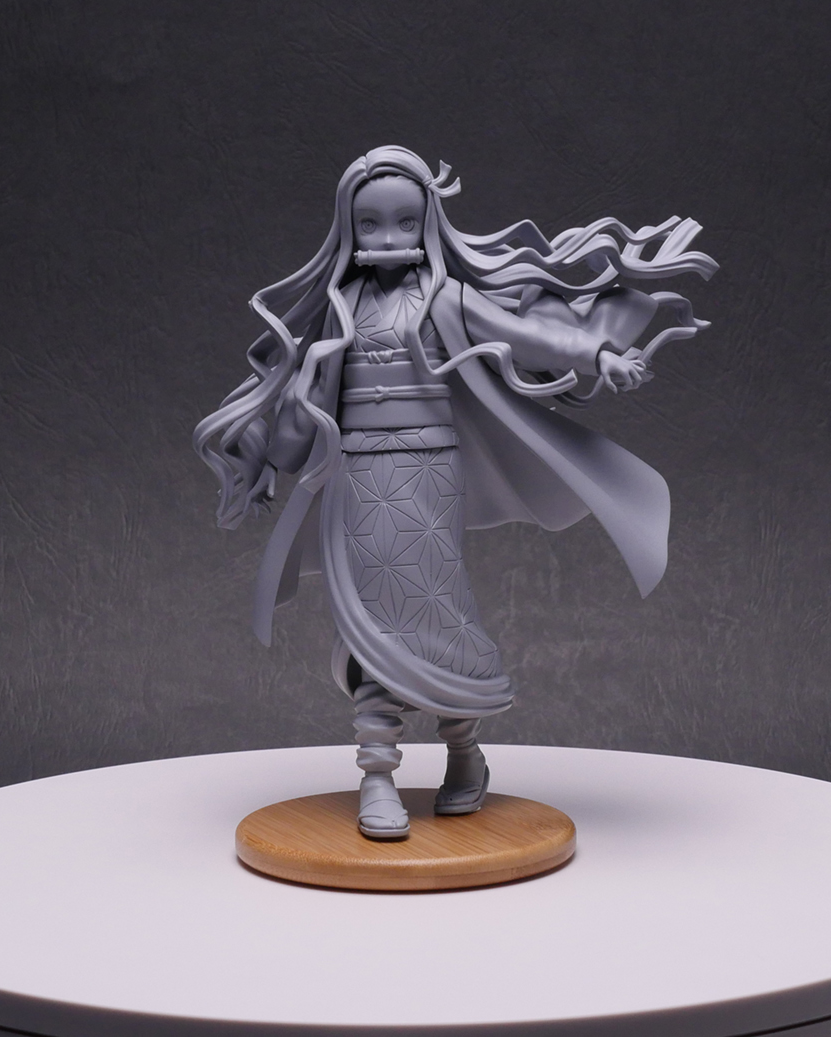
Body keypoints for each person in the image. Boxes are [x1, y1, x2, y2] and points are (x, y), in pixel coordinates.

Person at [194, 146, 716, 838]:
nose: (388, 238)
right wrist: (269, 450)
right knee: (369, 623)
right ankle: (377, 772)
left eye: (404, 222)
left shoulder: (443, 298)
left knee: (436, 612)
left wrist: (598, 353)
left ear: (428, 224)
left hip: (428, 474)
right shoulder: (338, 308)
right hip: (357, 478)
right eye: (370, 224)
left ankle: (464, 751)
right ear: (347, 227)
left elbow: (527, 337)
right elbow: (296, 396)